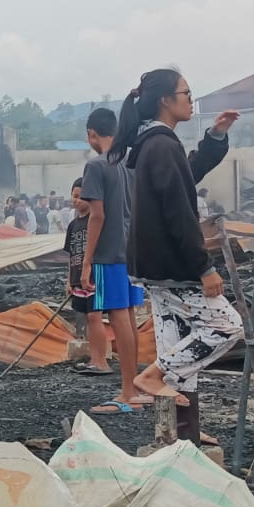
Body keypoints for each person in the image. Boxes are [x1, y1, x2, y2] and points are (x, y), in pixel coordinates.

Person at [113, 69, 242, 448]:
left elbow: (188, 173)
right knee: (226, 327)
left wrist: (215, 137)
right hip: (173, 266)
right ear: (165, 100)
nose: (190, 99)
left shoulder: (153, 144)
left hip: (152, 267)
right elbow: (179, 212)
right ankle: (152, 377)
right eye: (186, 93)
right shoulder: (161, 145)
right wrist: (204, 266)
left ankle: (177, 436)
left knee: (178, 345)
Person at [78, 108, 145, 415]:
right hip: (133, 250)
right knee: (128, 316)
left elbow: (98, 215)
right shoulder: (132, 162)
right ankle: (134, 385)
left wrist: (87, 261)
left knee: (119, 317)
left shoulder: (97, 166)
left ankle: (129, 391)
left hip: (109, 253)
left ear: (93, 134)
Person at [64, 177, 103, 371]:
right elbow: (71, 254)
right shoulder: (72, 225)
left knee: (96, 317)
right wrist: (68, 280)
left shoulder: (95, 220)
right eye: (74, 196)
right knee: (87, 318)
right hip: (77, 277)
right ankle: (93, 358)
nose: (76, 200)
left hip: (94, 275)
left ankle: (100, 360)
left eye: (80, 197)